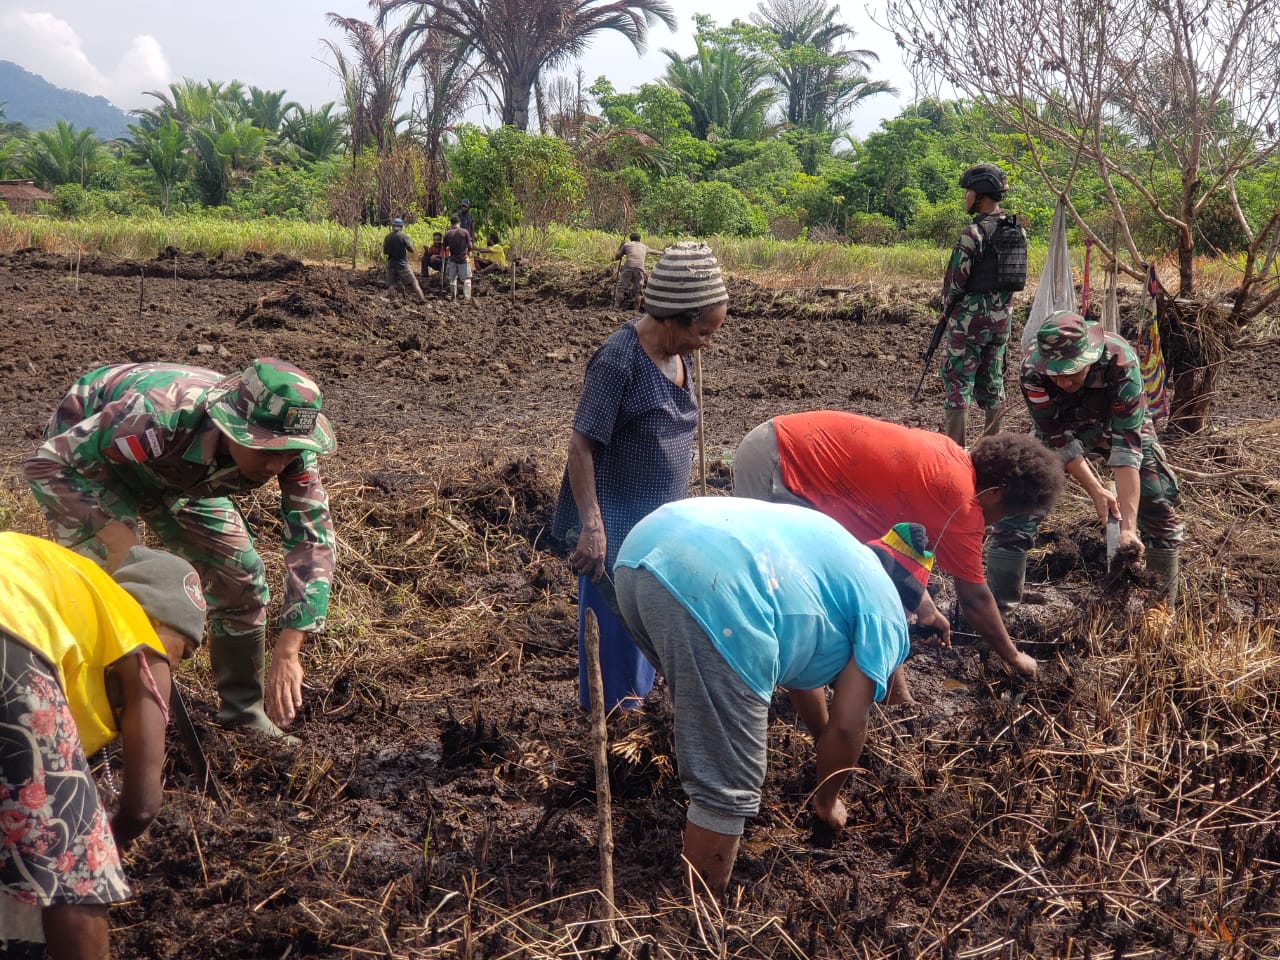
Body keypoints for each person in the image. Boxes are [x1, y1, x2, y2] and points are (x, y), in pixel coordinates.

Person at [614, 498, 932, 895]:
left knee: (711, 721)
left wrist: (822, 741)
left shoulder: (842, 559)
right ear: (908, 604)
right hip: (715, 588)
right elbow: (849, 728)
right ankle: (698, 918)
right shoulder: (887, 613)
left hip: (640, 553)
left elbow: (800, 674)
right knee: (729, 779)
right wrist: (827, 800)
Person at [23, 358, 337, 741]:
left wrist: (289, 650)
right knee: (116, 589)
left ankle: (242, 711)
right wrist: (122, 547)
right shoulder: (158, 415)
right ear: (231, 424)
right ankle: (98, 720)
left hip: (184, 475)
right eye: (264, 449)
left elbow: (312, 539)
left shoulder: (289, 449)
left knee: (240, 575)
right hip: (94, 465)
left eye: (287, 452)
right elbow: (48, 464)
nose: (277, 464)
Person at [733, 410, 1065, 676]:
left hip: (783, 438)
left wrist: (926, 608)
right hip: (779, 463)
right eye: (1003, 513)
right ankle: (760, 668)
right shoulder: (960, 505)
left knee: (839, 568)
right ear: (994, 493)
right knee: (782, 580)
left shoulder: (951, 455)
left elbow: (884, 551)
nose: (994, 524)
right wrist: (1014, 656)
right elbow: (975, 600)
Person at [1, 534, 207, 958]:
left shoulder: (76, 598)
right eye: (180, 650)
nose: (173, 668)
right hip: (9, 633)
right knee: (74, 858)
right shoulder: (140, 637)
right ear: (155, 621)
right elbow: (142, 805)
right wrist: (108, 837)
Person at [551, 242, 729, 713]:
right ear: (673, 318)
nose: (707, 342)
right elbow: (580, 446)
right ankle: (612, 741)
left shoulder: (680, 358)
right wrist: (592, 526)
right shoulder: (619, 359)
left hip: (661, 536)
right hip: (616, 539)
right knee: (615, 654)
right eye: (704, 332)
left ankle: (637, 722)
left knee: (648, 647)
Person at [990, 311, 1183, 603]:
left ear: (1090, 357)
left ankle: (1160, 610)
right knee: (1019, 503)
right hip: (1063, 425)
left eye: (1073, 371)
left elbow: (1126, 448)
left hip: (1116, 422)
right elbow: (1057, 438)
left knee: (1157, 500)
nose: (1066, 382)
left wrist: (1128, 528)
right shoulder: (1032, 373)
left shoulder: (1120, 362)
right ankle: (1001, 610)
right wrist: (1096, 489)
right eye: (1058, 374)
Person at [939, 163, 1023, 446]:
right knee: (993, 384)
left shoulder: (972, 234)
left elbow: (955, 283)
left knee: (957, 383)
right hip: (1001, 324)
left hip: (969, 323)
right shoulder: (1016, 231)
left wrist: (947, 310)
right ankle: (992, 450)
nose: (966, 197)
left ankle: (955, 451)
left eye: (970, 192)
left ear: (982, 195)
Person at [382, 217, 426, 303]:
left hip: (391, 264)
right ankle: (422, 299)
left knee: (391, 284)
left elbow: (385, 252)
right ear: (401, 227)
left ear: (393, 226)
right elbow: (410, 249)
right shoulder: (403, 236)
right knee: (414, 281)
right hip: (402, 264)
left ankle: (392, 302)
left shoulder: (387, 237)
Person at [613, 233, 655, 310]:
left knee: (621, 288)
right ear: (640, 239)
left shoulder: (627, 245)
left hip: (628, 268)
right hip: (639, 269)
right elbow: (655, 252)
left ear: (630, 239)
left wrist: (621, 245)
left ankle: (616, 306)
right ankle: (636, 310)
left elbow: (617, 257)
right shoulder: (644, 246)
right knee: (638, 291)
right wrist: (665, 252)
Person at [443, 216, 475, 301]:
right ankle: (467, 298)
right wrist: (467, 250)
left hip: (452, 259)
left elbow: (444, 248)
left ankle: (453, 297)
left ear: (451, 224)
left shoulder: (448, 234)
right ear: (459, 223)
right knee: (467, 279)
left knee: (453, 279)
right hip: (463, 259)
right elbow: (470, 246)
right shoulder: (465, 232)